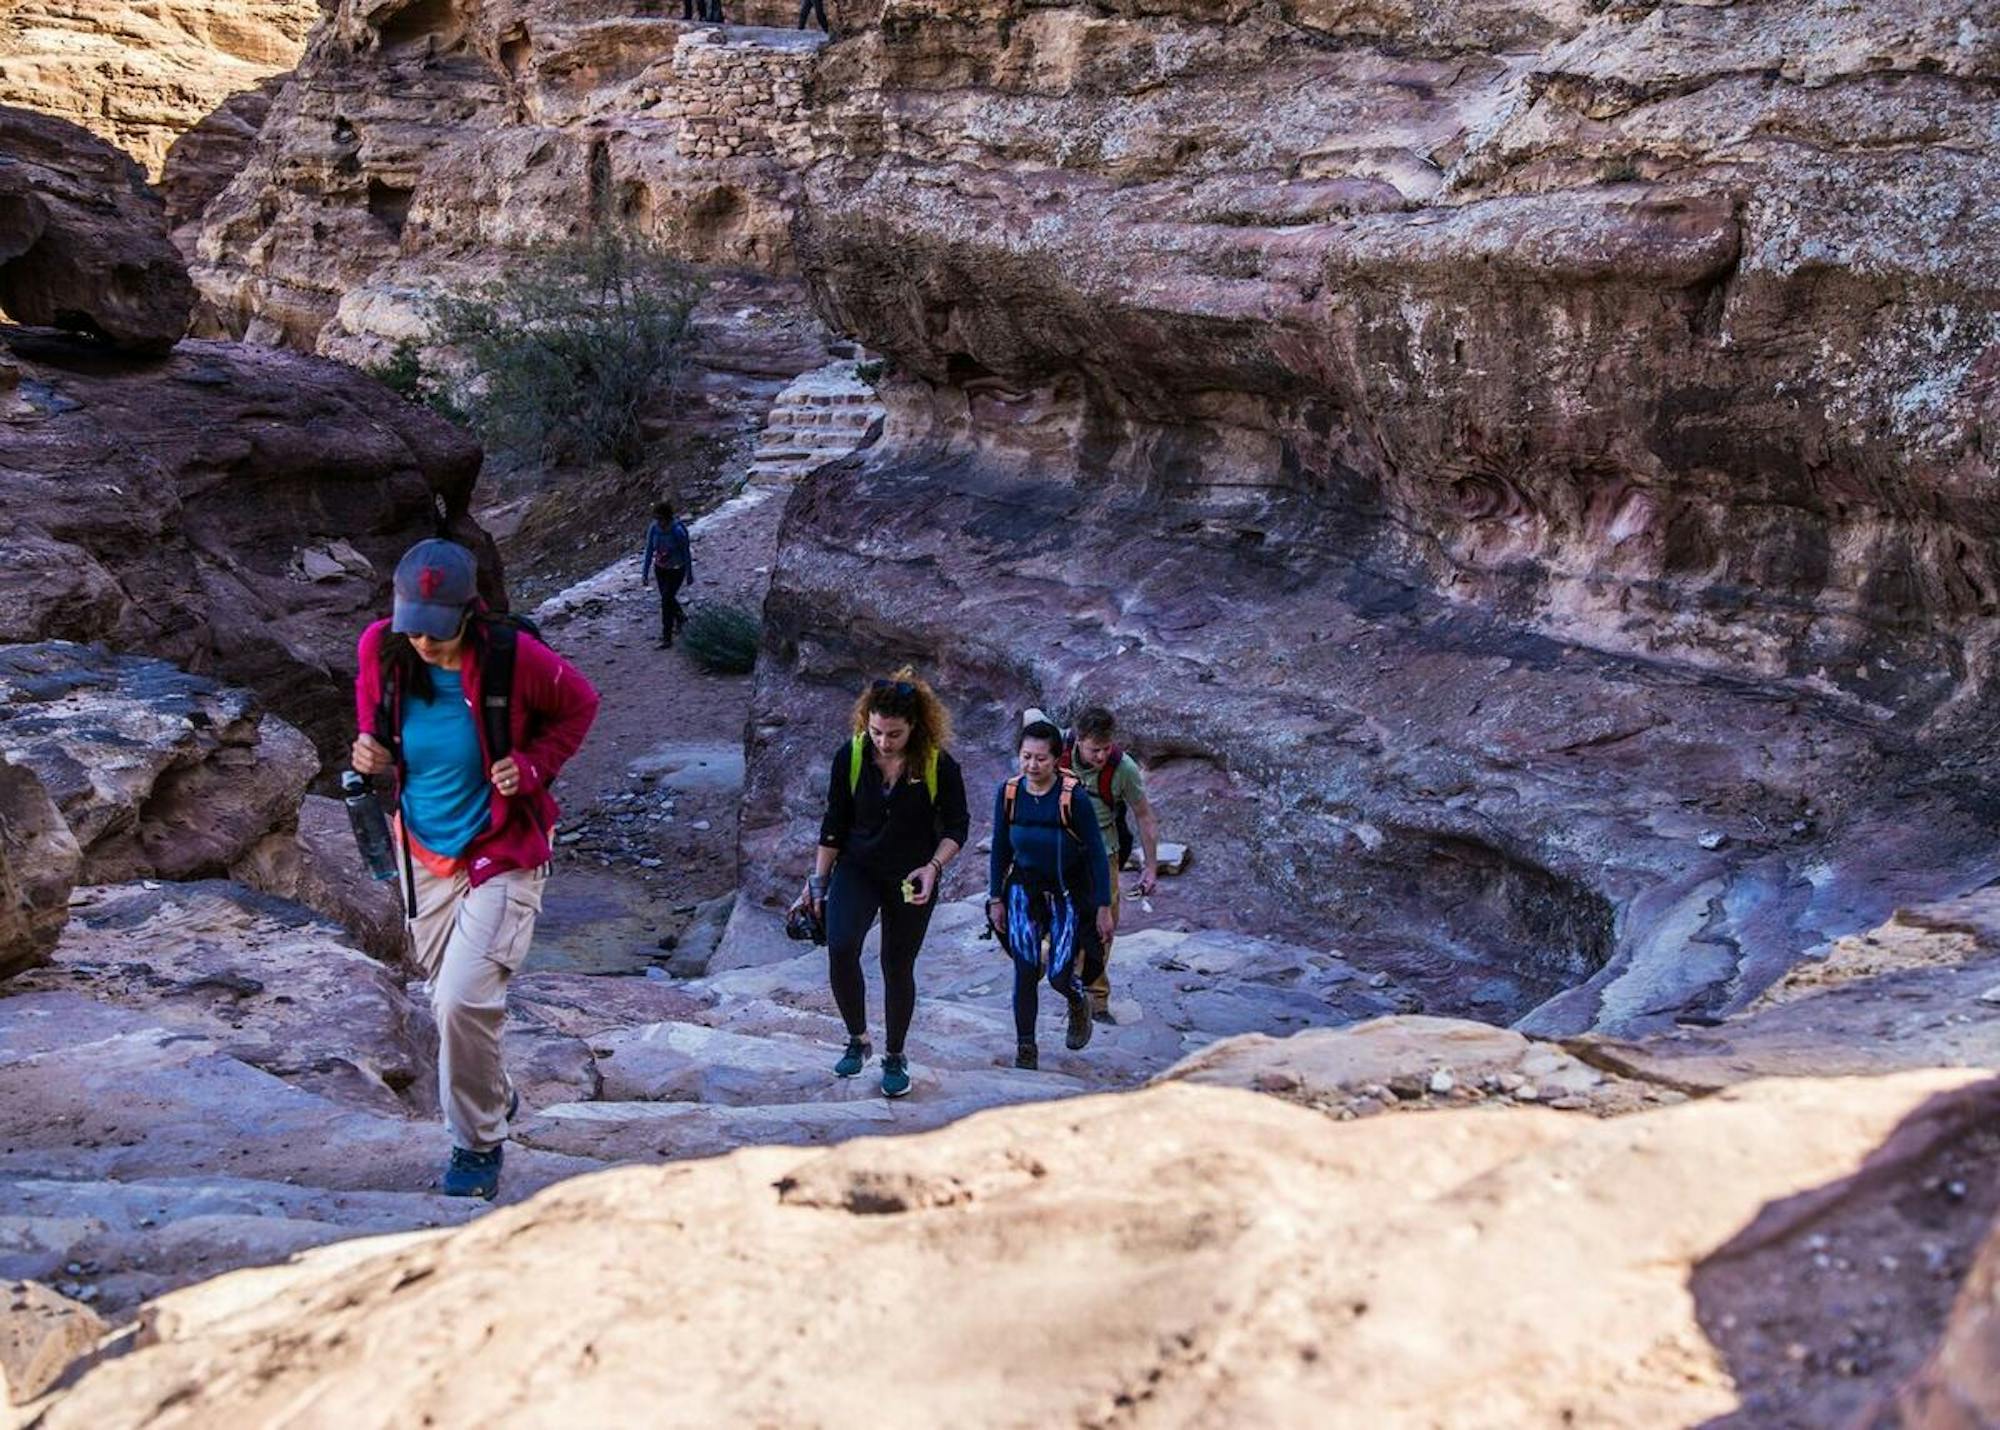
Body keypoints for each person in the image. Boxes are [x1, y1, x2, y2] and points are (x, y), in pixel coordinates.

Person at [352, 539, 600, 1200]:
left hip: (504, 849)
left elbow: (580, 704)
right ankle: (493, 1091)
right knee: (445, 999)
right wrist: (370, 754)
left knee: (462, 997)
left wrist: (536, 766)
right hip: (424, 853)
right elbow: (374, 730)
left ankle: (477, 1145)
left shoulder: (512, 658)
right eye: (415, 628)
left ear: (469, 613)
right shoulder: (382, 648)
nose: (425, 644)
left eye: (438, 631)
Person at [799, 669, 968, 1098]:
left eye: (893, 734)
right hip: (858, 867)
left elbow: (958, 826)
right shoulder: (851, 756)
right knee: (840, 947)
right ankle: (857, 1039)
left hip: (912, 874)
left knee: (897, 965)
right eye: (875, 731)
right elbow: (834, 822)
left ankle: (895, 1055)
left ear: (914, 726)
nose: (883, 741)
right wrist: (818, 880)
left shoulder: (937, 764)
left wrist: (934, 865)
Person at [987, 721, 1113, 1070]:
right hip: (1023, 892)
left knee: (1058, 973)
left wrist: (1103, 905)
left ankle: (1076, 999)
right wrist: (995, 897)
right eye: (1026, 756)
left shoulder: (1073, 797)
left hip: (1067, 893)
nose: (1032, 765)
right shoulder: (1009, 793)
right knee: (1025, 969)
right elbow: (1000, 847)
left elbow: (1097, 854)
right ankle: (1025, 1047)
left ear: (1057, 759)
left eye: (1040, 758)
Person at [1058, 705, 1159, 1022]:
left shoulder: (1122, 768)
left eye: (1105, 749)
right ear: (1079, 741)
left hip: (1104, 852)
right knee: (1064, 920)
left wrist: (1151, 867)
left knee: (1104, 927)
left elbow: (1144, 816)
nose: (1101, 756)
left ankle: (1096, 1001)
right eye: (1093, 750)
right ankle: (1069, 980)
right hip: (1063, 849)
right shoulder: (1056, 756)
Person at [639, 501, 693, 648]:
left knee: (666, 601)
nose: (659, 522)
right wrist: (644, 573)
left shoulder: (678, 531)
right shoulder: (654, 529)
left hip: (676, 570)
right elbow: (649, 550)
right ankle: (681, 618)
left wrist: (689, 573)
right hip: (661, 569)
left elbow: (686, 552)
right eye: (656, 519)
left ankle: (666, 637)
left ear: (667, 518)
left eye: (661, 519)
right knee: (667, 598)